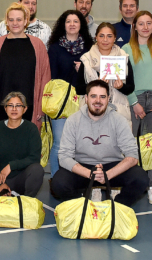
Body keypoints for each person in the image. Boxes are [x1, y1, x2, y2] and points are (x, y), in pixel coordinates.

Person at [51, 80, 149, 207]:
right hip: (84, 167)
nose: (98, 101)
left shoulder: (119, 120)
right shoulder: (73, 120)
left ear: (108, 99)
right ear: (86, 98)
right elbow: (64, 157)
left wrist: (108, 175)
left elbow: (133, 156)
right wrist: (90, 174)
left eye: (102, 97)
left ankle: (117, 207)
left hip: (111, 166)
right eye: (93, 96)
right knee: (58, 182)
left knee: (141, 179)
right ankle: (80, 207)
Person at [0, 2, 50, 134]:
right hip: (1, 107)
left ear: (26, 20)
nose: (15, 23)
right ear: (7, 22)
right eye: (11, 19)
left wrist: (41, 107)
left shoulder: (38, 46)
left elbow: (45, 78)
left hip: (29, 108)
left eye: (19, 19)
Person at [47, 10, 93, 179]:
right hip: (60, 103)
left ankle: (77, 179)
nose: (72, 24)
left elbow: (94, 77)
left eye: (76, 21)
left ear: (81, 25)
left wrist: (84, 71)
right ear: (63, 24)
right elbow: (51, 78)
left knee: (79, 145)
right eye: (68, 21)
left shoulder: (89, 48)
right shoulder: (54, 49)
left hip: (82, 102)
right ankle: (55, 178)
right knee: (59, 143)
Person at [0, 92, 44, 197]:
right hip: (2, 177)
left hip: (23, 178)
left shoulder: (31, 129)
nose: (14, 109)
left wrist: (11, 165)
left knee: (37, 170)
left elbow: (34, 158)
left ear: (25, 109)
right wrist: (1, 184)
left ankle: (27, 199)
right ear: (5, 108)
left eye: (18, 106)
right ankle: (9, 193)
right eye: (10, 105)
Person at [76, 22, 134, 124]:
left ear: (115, 38)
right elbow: (78, 89)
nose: (105, 40)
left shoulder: (123, 57)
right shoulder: (86, 59)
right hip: (91, 112)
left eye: (109, 36)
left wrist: (121, 87)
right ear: (96, 37)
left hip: (119, 112)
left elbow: (130, 87)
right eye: (101, 36)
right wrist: (95, 84)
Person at [122, 11, 152, 202]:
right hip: (136, 99)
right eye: (141, 24)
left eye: (149, 23)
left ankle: (150, 185)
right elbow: (124, 79)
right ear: (134, 26)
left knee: (151, 146)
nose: (145, 27)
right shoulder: (126, 48)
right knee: (134, 145)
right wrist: (134, 103)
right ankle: (135, 183)